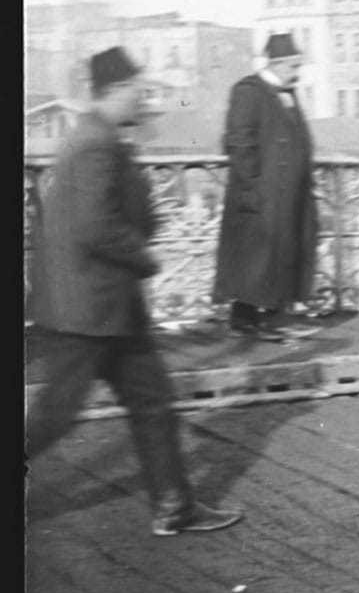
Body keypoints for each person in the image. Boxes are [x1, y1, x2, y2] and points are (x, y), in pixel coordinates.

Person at [26, 47, 243, 537]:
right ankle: (174, 506)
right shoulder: (96, 143)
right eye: (135, 90)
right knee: (55, 415)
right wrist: (145, 259)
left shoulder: (99, 138)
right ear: (112, 91)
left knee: (151, 402)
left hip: (101, 307)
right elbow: (95, 226)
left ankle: (175, 506)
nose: (142, 97)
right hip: (88, 310)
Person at [213, 32, 319, 342]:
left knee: (275, 255)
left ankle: (255, 318)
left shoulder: (287, 91)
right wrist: (253, 188)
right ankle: (263, 319)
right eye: (293, 65)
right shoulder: (248, 91)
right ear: (277, 63)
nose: (297, 72)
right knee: (258, 258)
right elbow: (239, 141)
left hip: (289, 193)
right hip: (262, 194)